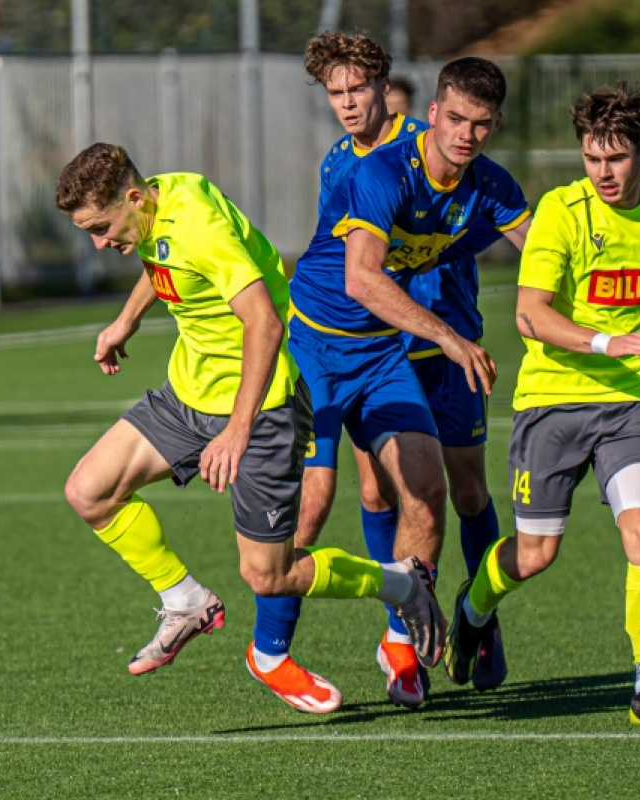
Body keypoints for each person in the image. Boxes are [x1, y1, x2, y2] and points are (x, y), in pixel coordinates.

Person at [55, 143, 444, 684]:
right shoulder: (160, 200)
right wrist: (127, 320)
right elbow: (162, 256)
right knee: (88, 491)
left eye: (101, 226)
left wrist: (237, 433)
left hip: (261, 410)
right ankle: (185, 600)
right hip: (188, 395)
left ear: (135, 198)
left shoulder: (198, 227)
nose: (99, 242)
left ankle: (404, 585)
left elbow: (265, 322)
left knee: (270, 575)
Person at [248, 43, 531, 712]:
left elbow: (548, 251)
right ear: (437, 112)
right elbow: (357, 273)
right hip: (330, 345)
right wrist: (442, 333)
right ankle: (271, 651)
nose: (465, 134)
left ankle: (422, 633)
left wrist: (623, 302)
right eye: (334, 93)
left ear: (386, 90)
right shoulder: (364, 169)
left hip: (406, 345)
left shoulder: (470, 170)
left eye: (479, 123)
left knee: (440, 492)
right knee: (323, 502)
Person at [443, 82, 640, 727]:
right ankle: (472, 611)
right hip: (552, 402)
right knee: (535, 555)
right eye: (591, 158)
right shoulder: (561, 211)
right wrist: (609, 339)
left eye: (616, 158)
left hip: (630, 403)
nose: (603, 172)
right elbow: (529, 316)